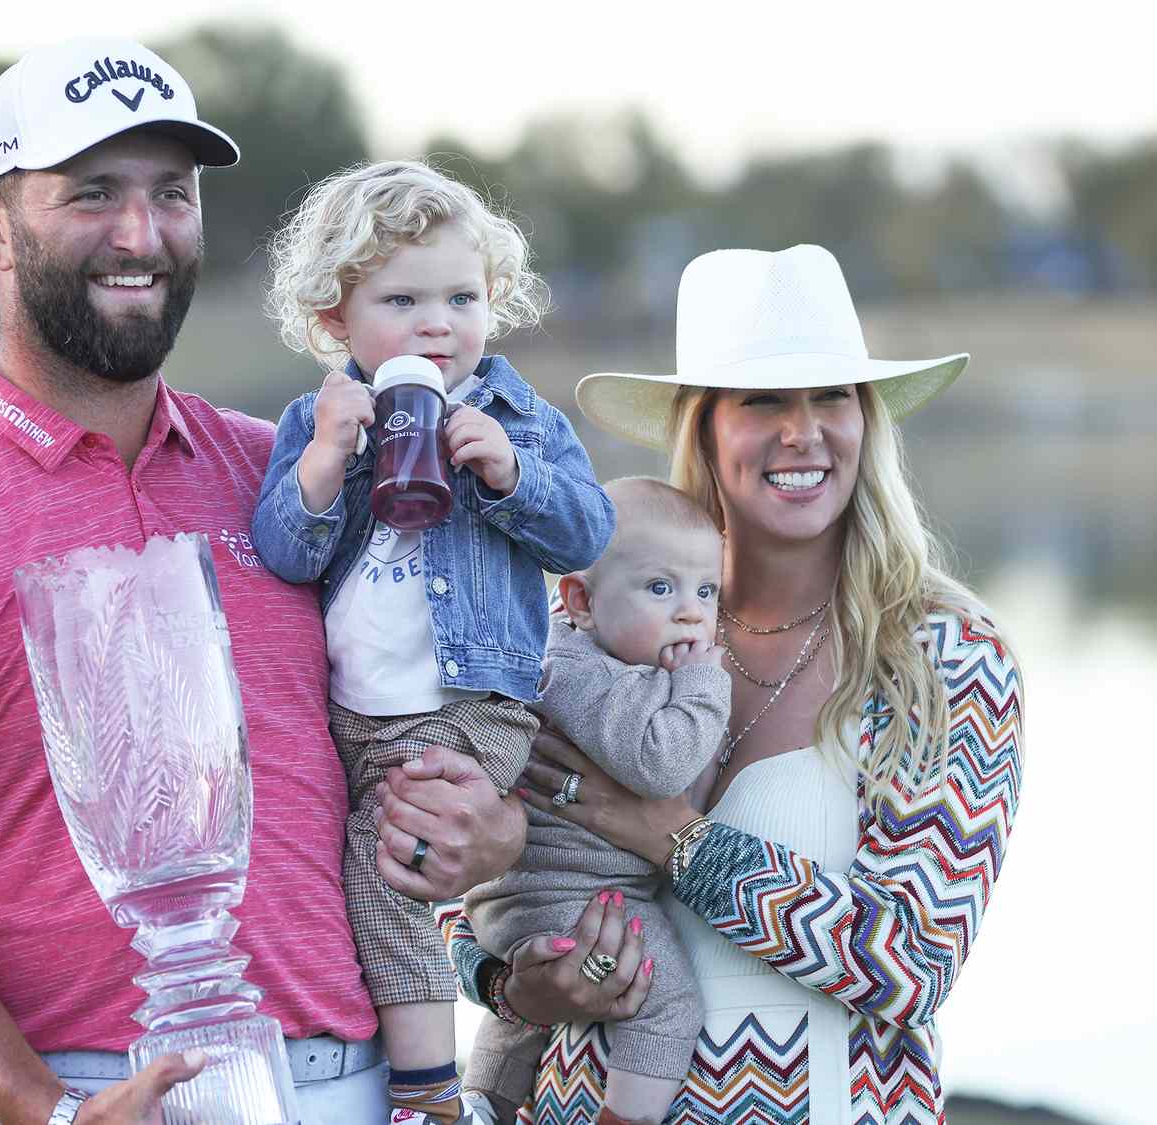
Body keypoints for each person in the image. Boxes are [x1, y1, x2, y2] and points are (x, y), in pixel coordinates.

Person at [0, 39, 525, 1125]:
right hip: (94, 1092)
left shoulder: (290, 476)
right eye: (92, 195)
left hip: (366, 1084)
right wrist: (51, 1113)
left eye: (172, 194)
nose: (142, 235)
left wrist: (492, 833)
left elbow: (419, 732)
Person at [430, 244, 1025, 1124]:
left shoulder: (945, 656)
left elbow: (912, 962)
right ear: (704, 425)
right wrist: (508, 981)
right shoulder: (600, 619)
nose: (803, 430)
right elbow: (450, 858)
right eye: (764, 400)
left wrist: (680, 842)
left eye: (832, 395)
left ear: (867, 418)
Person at [250, 159, 615, 1125]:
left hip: (467, 703)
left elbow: (586, 534)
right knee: (337, 870)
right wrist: (331, 455)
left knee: (390, 870)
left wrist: (508, 476)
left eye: (461, 296)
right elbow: (284, 553)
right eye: (400, 299)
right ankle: (355, 1061)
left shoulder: (519, 418)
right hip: (354, 710)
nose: (435, 323)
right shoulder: (317, 419)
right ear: (337, 321)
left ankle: (425, 1095)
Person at [462, 476, 730, 1123]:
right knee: (667, 1004)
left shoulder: (587, 660)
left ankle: (484, 1099)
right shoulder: (576, 670)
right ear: (579, 600)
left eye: (707, 590)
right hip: (570, 899)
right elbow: (663, 762)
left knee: (524, 1016)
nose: (691, 612)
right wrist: (702, 680)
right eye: (660, 588)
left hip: (530, 902)